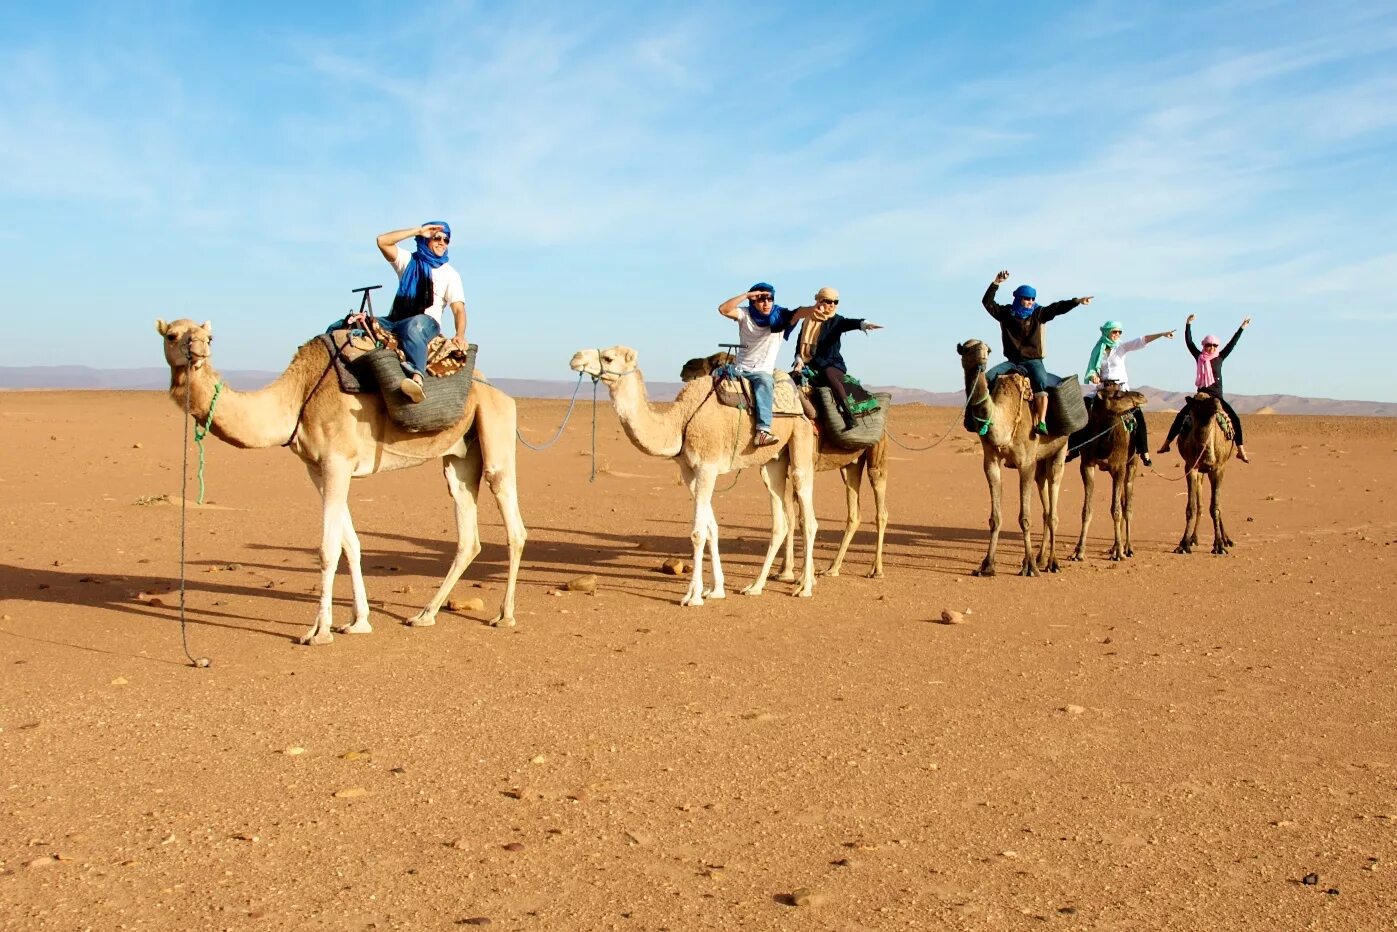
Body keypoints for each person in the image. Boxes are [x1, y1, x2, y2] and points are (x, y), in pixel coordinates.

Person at [982, 270, 1092, 435]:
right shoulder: (1006, 313)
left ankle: (1041, 422)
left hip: (1033, 361)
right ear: (1019, 299)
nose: (1030, 302)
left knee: (1041, 381)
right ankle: (985, 418)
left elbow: (1057, 308)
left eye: (1032, 299)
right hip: (1012, 362)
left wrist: (1076, 301)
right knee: (987, 378)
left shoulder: (1038, 313)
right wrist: (996, 282)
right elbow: (987, 303)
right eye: (1027, 298)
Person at [369, 221, 467, 403]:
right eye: (437, 237)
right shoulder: (408, 261)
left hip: (426, 322)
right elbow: (382, 241)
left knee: (413, 327)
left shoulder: (450, 274)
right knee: (355, 323)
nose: (442, 243)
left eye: (446, 240)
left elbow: (459, 309)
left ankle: (417, 378)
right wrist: (417, 230)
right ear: (425, 239)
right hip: (396, 320)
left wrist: (459, 334)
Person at [717, 283, 813, 447]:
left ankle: (762, 431)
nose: (766, 303)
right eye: (761, 299)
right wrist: (746, 295)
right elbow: (723, 309)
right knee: (714, 379)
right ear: (753, 301)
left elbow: (798, 312)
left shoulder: (781, 317)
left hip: (760, 372)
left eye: (770, 299)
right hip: (739, 368)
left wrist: (815, 308)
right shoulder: (745, 314)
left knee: (765, 383)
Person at [1068, 320, 1174, 466]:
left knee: (1138, 416)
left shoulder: (1121, 348)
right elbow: (1092, 369)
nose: (1117, 334)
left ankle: (1144, 451)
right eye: (1114, 331)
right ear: (1106, 332)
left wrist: (1161, 335)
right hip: (1103, 390)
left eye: (1119, 332)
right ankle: (1075, 448)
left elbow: (1141, 341)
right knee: (1082, 409)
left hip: (1121, 391)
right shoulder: (1098, 350)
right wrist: (1093, 375)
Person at [1158, 314, 1251, 463]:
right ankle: (1167, 444)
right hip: (1201, 397)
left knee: (1235, 419)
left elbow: (1232, 344)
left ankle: (1240, 449)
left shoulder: (1220, 357)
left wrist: (1242, 328)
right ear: (1204, 346)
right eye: (1209, 345)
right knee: (1181, 417)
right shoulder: (1199, 357)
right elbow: (1189, 343)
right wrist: (1188, 325)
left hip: (1216, 398)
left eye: (1214, 345)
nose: (1211, 347)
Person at [787, 287, 883, 429]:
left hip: (832, 363)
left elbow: (849, 323)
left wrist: (864, 324)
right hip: (810, 364)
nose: (832, 305)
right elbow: (799, 343)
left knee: (829, 375)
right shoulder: (807, 320)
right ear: (819, 301)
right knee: (787, 380)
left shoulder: (837, 321)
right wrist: (798, 358)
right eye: (828, 301)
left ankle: (848, 416)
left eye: (835, 302)